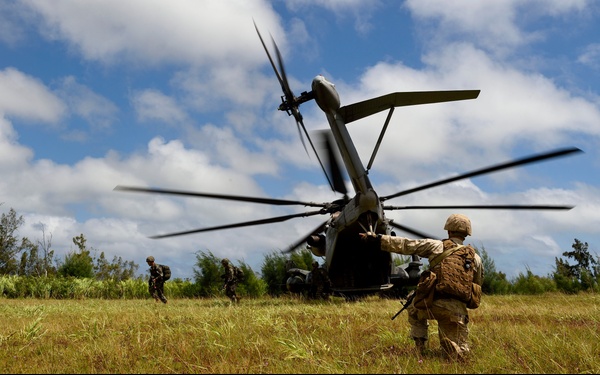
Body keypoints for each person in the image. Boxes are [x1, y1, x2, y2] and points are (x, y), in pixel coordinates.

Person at [360, 213, 483, 361]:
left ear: (448, 230)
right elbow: (476, 285)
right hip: (456, 310)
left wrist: (378, 239)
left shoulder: (436, 246)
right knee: (460, 344)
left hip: (429, 303)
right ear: (467, 233)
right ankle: (456, 348)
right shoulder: (475, 258)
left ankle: (420, 348)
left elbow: (407, 245)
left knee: (412, 306)